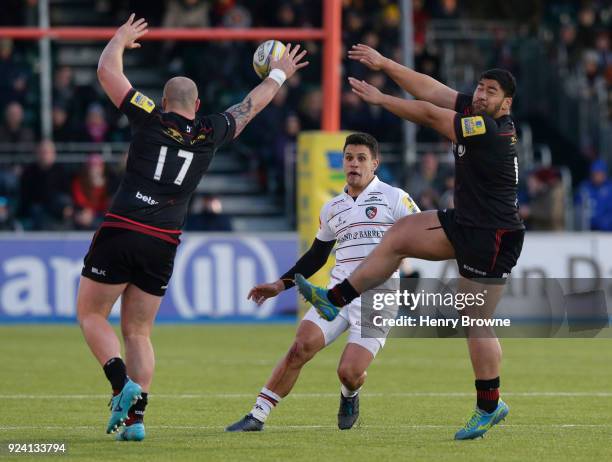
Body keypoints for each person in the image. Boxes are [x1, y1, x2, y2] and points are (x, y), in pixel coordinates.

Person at [76, 14, 307, 442]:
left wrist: (120, 38)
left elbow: (108, 71)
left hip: (124, 225)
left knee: (90, 313)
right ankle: (136, 420)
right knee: (139, 331)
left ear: (163, 102)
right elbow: (252, 105)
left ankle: (119, 383)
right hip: (163, 242)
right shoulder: (209, 131)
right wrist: (279, 71)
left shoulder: (149, 117)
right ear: (197, 106)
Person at [297, 44, 525, 440]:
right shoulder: (476, 110)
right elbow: (433, 90)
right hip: (465, 223)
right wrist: (385, 64)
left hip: (492, 234)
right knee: (399, 235)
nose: (481, 94)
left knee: (474, 321)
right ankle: (333, 300)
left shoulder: (490, 128)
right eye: (480, 87)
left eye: (490, 92)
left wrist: (382, 98)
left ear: (505, 104)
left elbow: (430, 113)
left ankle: (490, 405)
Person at [226, 132, 419, 432]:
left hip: (378, 299)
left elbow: (421, 233)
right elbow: (316, 256)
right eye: (349, 157)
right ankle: (257, 415)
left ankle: (350, 392)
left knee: (349, 372)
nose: (354, 164)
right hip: (336, 295)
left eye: (361, 159)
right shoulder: (332, 208)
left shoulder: (395, 198)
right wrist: (279, 285)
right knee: (300, 347)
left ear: (375, 164)